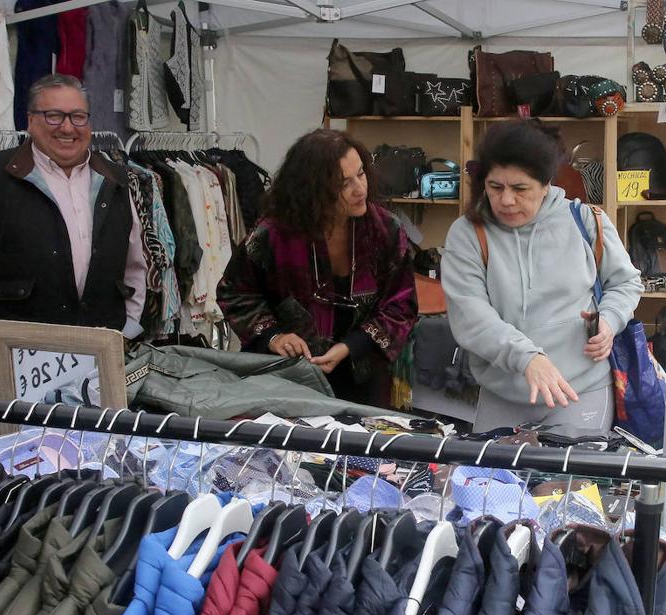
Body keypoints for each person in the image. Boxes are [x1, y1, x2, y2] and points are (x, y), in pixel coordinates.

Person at [440, 120, 641, 434]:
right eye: (496, 187)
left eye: (520, 189)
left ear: (546, 183)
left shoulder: (586, 221)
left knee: (567, 484)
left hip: (580, 391)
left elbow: (626, 282)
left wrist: (610, 320)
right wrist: (527, 358)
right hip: (503, 393)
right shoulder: (468, 234)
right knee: (491, 483)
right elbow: (470, 316)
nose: (507, 200)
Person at [0, 74, 147, 336]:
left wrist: (129, 328)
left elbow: (134, 267)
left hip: (102, 356)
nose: (67, 128)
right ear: (30, 121)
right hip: (19, 360)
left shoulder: (116, 179)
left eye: (78, 116)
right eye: (53, 115)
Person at [215, 129, 417, 407]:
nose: (360, 189)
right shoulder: (273, 234)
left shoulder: (387, 231)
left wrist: (352, 345)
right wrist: (274, 336)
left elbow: (401, 305)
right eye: (343, 184)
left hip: (364, 378)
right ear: (313, 189)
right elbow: (234, 293)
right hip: (289, 380)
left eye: (361, 173)